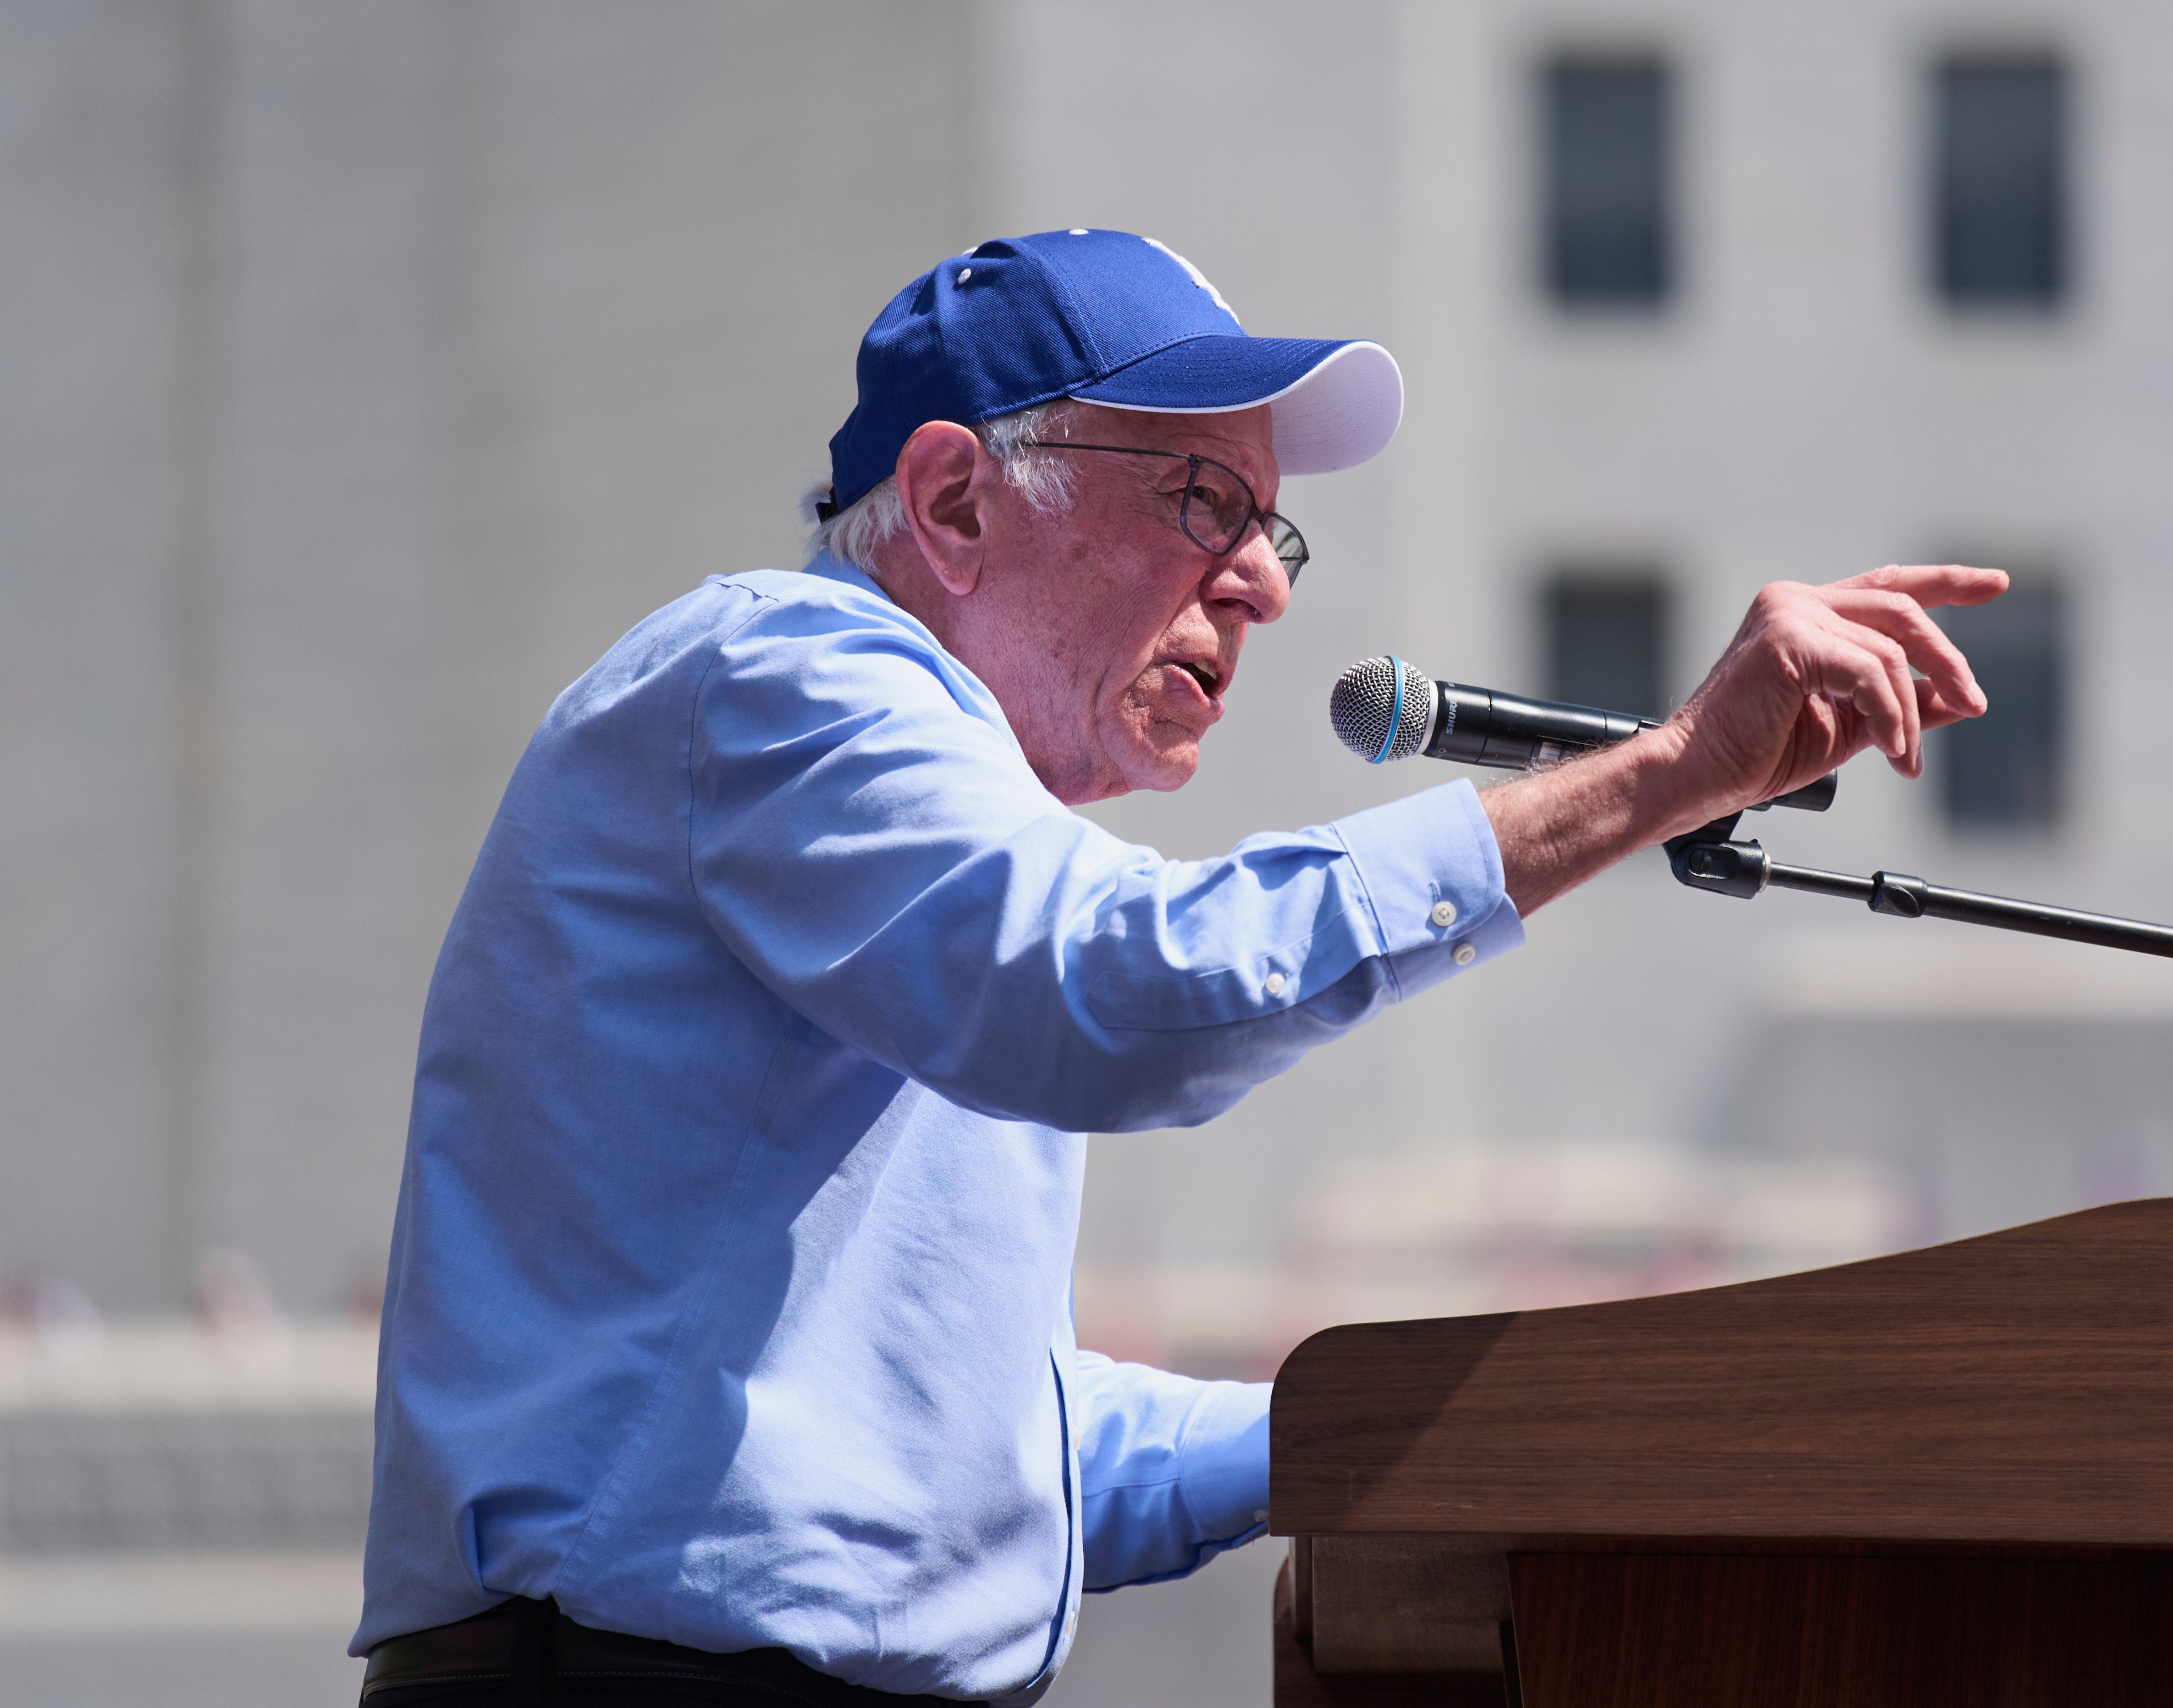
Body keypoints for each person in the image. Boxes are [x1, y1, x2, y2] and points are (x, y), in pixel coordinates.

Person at [354, 229, 2005, 1704]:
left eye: (1271, 529)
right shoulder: (784, 676)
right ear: (948, 504)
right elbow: (1127, 994)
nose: (1263, 585)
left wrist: (1467, 1418)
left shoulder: (940, 850)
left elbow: (978, 1447)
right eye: (1198, 500)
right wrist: (1669, 771)